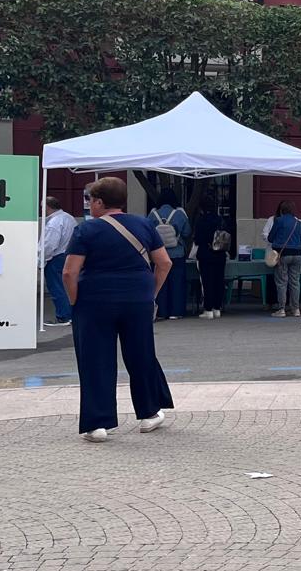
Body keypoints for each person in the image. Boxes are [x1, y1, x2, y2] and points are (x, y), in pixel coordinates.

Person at [62, 177, 175, 442]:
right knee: (141, 354)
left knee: (95, 360)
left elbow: (69, 272)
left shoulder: (86, 231)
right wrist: (151, 293)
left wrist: (75, 300)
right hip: (137, 300)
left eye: (90, 200)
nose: (89, 206)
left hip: (94, 301)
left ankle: (98, 424)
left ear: (99, 202)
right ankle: (149, 413)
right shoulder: (144, 224)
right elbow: (164, 262)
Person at [150, 189, 190, 320]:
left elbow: (148, 232)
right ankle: (176, 311)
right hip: (177, 253)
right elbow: (187, 232)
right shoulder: (180, 213)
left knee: (160, 283)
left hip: (159, 254)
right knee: (177, 283)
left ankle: (161, 311)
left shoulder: (153, 214)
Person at [41, 197, 78, 326]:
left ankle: (63, 316)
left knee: (56, 288)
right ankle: (71, 314)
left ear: (47, 207)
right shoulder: (69, 218)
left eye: (42, 207)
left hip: (55, 258)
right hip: (68, 255)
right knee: (67, 287)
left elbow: (49, 245)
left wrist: (41, 260)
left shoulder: (54, 223)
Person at [265, 201, 301, 318]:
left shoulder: (278, 220)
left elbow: (271, 238)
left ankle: (281, 309)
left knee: (282, 282)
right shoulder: (299, 223)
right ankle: (296, 309)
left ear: (281, 210)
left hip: (283, 254)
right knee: (295, 282)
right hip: (297, 254)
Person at [192, 205, 228, 319]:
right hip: (220, 254)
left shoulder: (201, 221)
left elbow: (197, 239)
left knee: (207, 282)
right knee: (219, 281)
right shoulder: (220, 220)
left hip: (205, 254)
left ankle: (208, 309)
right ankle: (217, 308)